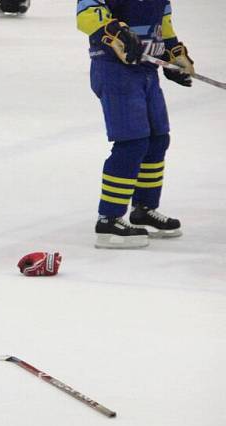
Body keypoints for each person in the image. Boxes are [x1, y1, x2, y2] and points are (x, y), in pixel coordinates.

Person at [77, 1, 191, 248]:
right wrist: (115, 32)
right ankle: (109, 219)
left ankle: (143, 209)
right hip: (115, 71)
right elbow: (86, 15)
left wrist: (174, 53)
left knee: (157, 139)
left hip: (147, 71)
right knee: (133, 142)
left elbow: (164, 24)